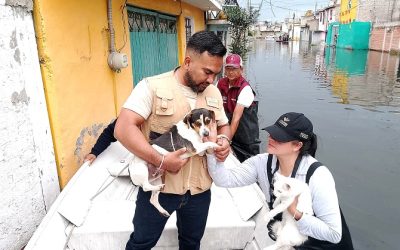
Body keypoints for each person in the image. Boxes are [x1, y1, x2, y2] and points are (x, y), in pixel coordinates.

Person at [114, 30, 231, 250]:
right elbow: (123, 128)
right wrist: (160, 160)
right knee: (141, 243)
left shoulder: (213, 93)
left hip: (199, 191)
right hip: (160, 188)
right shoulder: (152, 86)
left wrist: (224, 140)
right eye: (207, 72)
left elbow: (223, 124)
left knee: (191, 243)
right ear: (188, 62)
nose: (212, 79)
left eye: (216, 73)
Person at [205, 112, 354, 249]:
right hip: (293, 241)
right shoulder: (262, 163)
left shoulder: (318, 175)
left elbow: (334, 234)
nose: (271, 139)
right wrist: (211, 149)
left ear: (297, 145)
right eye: (272, 133)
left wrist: (295, 212)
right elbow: (224, 180)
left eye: (280, 138)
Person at [217, 54, 260, 162]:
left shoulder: (245, 89)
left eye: (234, 69)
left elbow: (236, 117)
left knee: (249, 165)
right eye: (228, 68)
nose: (231, 72)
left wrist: (227, 141)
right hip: (227, 129)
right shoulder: (220, 83)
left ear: (241, 69)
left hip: (245, 135)